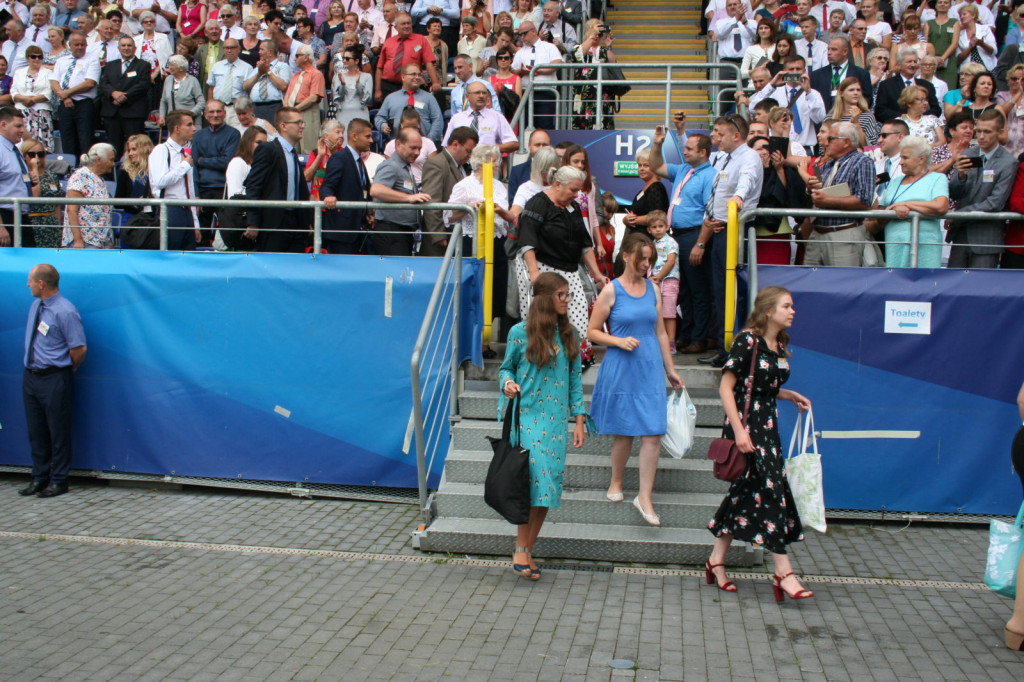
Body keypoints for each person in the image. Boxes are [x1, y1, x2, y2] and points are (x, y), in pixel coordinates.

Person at [706, 286, 813, 600]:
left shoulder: (777, 343)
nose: (792, 311)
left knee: (744, 495)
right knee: (771, 493)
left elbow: (764, 386)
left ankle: (715, 561)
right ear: (769, 310)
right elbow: (727, 388)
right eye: (787, 306)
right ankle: (784, 572)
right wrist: (739, 432)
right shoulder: (747, 341)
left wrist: (789, 394)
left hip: (768, 429)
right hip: (747, 429)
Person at [499, 272, 590, 580]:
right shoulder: (518, 333)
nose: (567, 301)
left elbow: (575, 381)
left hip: (554, 422)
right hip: (526, 418)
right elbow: (505, 368)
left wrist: (579, 420)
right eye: (561, 295)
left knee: (547, 489)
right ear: (545, 299)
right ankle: (521, 550)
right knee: (533, 484)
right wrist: (508, 383)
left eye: (568, 295)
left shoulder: (570, 335)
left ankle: (526, 549)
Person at [588, 231, 684, 525]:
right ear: (626, 256)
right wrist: (618, 341)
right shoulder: (611, 290)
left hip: (649, 365)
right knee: (625, 431)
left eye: (650, 259)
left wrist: (670, 369)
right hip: (621, 365)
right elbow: (592, 331)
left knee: (652, 432)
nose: (646, 264)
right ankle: (616, 480)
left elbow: (660, 332)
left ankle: (645, 497)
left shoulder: (653, 289)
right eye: (642, 259)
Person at [515, 165, 608, 364]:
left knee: (578, 313)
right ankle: (540, 360)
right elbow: (527, 242)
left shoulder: (572, 207)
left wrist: (597, 274)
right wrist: (534, 274)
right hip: (542, 267)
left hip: (569, 269)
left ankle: (577, 361)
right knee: (543, 318)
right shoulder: (537, 203)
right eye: (573, 190)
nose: (576, 195)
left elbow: (585, 245)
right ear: (557, 184)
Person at [647, 118, 716, 355]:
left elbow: (711, 211)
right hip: (677, 236)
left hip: (694, 235)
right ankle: (685, 334)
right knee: (682, 289)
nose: (684, 150)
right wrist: (657, 145)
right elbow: (656, 166)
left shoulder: (711, 175)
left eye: (688, 148)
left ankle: (700, 337)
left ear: (703, 153)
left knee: (698, 289)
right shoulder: (685, 169)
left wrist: (700, 242)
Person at [698, 116, 763, 368]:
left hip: (736, 230)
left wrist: (738, 197)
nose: (715, 136)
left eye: (720, 133)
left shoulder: (748, 157)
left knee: (733, 292)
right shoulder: (725, 158)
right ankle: (725, 349)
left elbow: (746, 181)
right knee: (721, 292)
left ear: (736, 135)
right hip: (720, 229)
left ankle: (737, 350)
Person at [20, 264, 87, 500]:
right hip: (31, 377)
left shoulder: (65, 311)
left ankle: (59, 480)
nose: (27, 284)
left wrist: (64, 370)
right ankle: (39, 478)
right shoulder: (35, 306)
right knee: (36, 431)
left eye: (30, 280)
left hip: (55, 378)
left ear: (41, 284)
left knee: (58, 431)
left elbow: (78, 349)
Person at [865, 136, 949, 268]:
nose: (900, 162)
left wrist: (907, 205)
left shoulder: (937, 178)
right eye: (901, 158)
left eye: (905, 158)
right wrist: (893, 211)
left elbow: (940, 206)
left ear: (922, 159)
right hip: (895, 244)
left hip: (925, 244)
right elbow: (881, 213)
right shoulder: (895, 182)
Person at [947, 110, 1016, 269]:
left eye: (987, 131)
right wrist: (961, 176)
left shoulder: (1008, 162)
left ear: (999, 133)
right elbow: (954, 193)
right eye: (978, 131)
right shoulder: (967, 154)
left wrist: (958, 215)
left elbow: (995, 203)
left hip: (986, 238)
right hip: (961, 235)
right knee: (952, 287)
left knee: (980, 287)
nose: (981, 136)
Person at [803, 121, 877, 266]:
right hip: (818, 233)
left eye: (831, 139)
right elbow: (818, 197)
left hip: (843, 233)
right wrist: (810, 189)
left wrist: (828, 200)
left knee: (842, 283)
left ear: (846, 142)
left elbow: (864, 201)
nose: (825, 143)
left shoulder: (862, 162)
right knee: (810, 283)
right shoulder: (828, 164)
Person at [240, 106, 311, 253]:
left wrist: (307, 221)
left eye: (302, 122)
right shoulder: (268, 149)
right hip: (274, 224)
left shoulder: (292, 154)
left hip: (296, 224)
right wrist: (253, 222)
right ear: (283, 126)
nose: (302, 126)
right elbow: (254, 185)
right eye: (298, 122)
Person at [369, 126, 431, 256]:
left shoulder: (405, 167)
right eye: (413, 147)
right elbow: (376, 189)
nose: (417, 152)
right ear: (398, 144)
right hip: (391, 232)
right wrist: (408, 198)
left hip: (402, 233)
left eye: (419, 148)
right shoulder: (391, 166)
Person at [419, 126, 479, 256]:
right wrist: (438, 234)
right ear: (455, 144)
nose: (469, 156)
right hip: (441, 238)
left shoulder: (463, 167)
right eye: (468, 151)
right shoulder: (436, 164)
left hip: (456, 234)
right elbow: (432, 202)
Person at [749, 134, 806, 266]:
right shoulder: (746, 172)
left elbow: (790, 196)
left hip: (778, 233)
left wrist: (779, 169)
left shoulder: (785, 171)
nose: (764, 152)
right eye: (759, 149)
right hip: (752, 233)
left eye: (767, 148)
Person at [320, 117, 373, 255]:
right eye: (367, 136)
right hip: (342, 233)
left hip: (357, 230)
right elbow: (327, 186)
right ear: (354, 136)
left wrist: (368, 212)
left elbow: (363, 190)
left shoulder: (359, 162)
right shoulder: (340, 158)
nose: (371, 140)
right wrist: (328, 197)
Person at [751, 55, 825, 153]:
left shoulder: (812, 93)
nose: (794, 72)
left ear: (804, 71)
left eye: (798, 69)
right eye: (791, 69)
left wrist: (808, 91)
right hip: (779, 145)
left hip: (805, 148)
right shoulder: (774, 92)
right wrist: (772, 84)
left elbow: (819, 117)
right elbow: (752, 108)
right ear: (784, 71)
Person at [149, 109, 199, 250]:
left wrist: (195, 223)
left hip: (187, 210)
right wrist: (184, 166)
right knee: (171, 254)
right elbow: (160, 182)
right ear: (177, 128)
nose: (194, 128)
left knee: (189, 256)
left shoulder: (185, 152)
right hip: (170, 209)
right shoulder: (161, 150)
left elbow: (190, 189)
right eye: (189, 125)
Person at [191, 99, 241, 239]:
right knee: (202, 233)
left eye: (219, 111)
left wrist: (203, 160)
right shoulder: (199, 135)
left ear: (225, 114)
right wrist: (195, 193)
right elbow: (193, 164)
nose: (215, 115)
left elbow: (227, 162)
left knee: (227, 231)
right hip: (203, 190)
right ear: (205, 115)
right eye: (211, 112)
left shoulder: (233, 134)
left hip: (223, 189)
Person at [98, 36, 150, 159]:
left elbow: (142, 85)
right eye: (123, 45)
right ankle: (113, 175)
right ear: (118, 48)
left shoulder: (143, 65)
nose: (126, 48)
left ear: (135, 48)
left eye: (129, 45)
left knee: (136, 148)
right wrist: (113, 94)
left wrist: (124, 97)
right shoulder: (110, 65)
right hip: (112, 113)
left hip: (133, 112)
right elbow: (103, 84)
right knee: (113, 148)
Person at [50, 31, 98, 162]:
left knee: (85, 140)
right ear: (69, 45)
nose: (80, 47)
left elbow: (90, 83)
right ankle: (69, 169)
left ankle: (86, 169)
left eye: (83, 44)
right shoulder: (62, 61)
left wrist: (67, 93)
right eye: (76, 44)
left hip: (84, 104)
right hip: (65, 104)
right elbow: (54, 81)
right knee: (67, 139)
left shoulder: (92, 59)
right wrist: (65, 97)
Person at [375, 12, 440, 103]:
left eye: (408, 23)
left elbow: (429, 63)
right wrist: (378, 90)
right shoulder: (388, 42)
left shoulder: (420, 40)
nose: (406, 26)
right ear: (396, 27)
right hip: (389, 86)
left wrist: (435, 82)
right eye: (403, 24)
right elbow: (379, 67)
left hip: (412, 85)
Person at [63, 143, 116, 249]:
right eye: (111, 160)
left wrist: (109, 241)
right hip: (85, 242)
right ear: (98, 159)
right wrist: (78, 241)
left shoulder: (99, 178)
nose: (113, 164)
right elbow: (72, 210)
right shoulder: (80, 176)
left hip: (100, 242)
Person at [511, 21, 561, 130]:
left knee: (545, 126)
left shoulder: (549, 47)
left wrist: (539, 70)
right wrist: (522, 71)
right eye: (520, 35)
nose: (522, 37)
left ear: (534, 31)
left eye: (524, 34)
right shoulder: (521, 52)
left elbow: (557, 63)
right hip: (525, 93)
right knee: (523, 126)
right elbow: (513, 71)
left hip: (545, 92)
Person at [375, 64, 444, 143]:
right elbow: (379, 117)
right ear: (403, 77)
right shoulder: (390, 98)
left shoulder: (429, 98)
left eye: (419, 74)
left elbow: (437, 119)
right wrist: (383, 125)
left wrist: (429, 141)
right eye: (413, 74)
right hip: (398, 145)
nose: (417, 77)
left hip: (424, 145)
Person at [444, 81, 517, 152]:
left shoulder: (497, 117)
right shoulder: (457, 118)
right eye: (477, 93)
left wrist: (489, 149)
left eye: (484, 93)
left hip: (488, 162)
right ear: (467, 96)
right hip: (462, 163)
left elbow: (513, 144)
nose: (481, 96)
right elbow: (446, 145)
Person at [570, 19, 616, 131]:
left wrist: (608, 46)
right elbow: (577, 55)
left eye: (599, 33)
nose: (597, 36)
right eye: (595, 32)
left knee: (603, 125)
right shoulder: (579, 47)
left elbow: (613, 66)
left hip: (602, 95)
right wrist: (592, 35)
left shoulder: (603, 51)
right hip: (583, 95)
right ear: (588, 32)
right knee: (582, 126)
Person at [874, 48, 942, 123]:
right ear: (899, 65)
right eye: (909, 61)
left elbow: (936, 110)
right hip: (896, 126)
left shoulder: (927, 85)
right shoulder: (886, 85)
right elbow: (880, 111)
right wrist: (902, 117)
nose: (913, 64)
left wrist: (918, 117)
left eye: (915, 62)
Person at [645, 211, 680, 353]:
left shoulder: (671, 242)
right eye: (654, 227)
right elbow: (650, 262)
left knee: (669, 312)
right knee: (657, 311)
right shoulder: (652, 244)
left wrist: (658, 276)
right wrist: (650, 276)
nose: (658, 229)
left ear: (667, 227)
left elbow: (671, 261)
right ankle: (659, 340)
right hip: (655, 281)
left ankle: (670, 342)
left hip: (669, 280)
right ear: (649, 229)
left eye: (661, 226)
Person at [810, 37, 874, 112]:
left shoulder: (861, 74)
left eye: (834, 49)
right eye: (828, 49)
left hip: (850, 119)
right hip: (824, 120)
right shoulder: (816, 75)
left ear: (845, 51)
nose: (829, 53)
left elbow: (867, 99)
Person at [10, 44, 53, 152]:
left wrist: (33, 100)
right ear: (27, 58)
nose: (37, 59)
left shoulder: (48, 72)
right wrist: (24, 99)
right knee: (22, 142)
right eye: (34, 56)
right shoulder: (19, 72)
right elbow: (13, 91)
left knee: (42, 144)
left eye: (40, 57)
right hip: (22, 111)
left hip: (41, 112)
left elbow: (49, 91)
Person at [282, 43, 324, 152]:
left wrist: (295, 109)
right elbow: (287, 95)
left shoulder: (316, 74)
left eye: (297, 56)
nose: (295, 58)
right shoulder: (295, 76)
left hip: (307, 111)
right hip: (293, 111)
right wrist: (287, 109)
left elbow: (313, 98)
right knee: (293, 146)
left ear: (306, 57)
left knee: (308, 147)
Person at [21, 137, 61, 248]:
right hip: (32, 223)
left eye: (40, 154)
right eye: (32, 154)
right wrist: (34, 169)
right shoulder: (23, 175)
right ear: (24, 155)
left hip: (51, 224)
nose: (37, 158)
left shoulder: (51, 175)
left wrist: (58, 226)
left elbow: (57, 203)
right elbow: (35, 196)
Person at [207, 38, 255, 128]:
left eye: (232, 48)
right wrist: (210, 106)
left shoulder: (247, 68)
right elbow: (211, 88)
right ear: (223, 49)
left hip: (237, 109)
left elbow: (250, 91)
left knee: (237, 134)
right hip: (219, 108)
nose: (229, 50)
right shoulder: (217, 66)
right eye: (226, 48)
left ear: (238, 49)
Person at [383, 108, 437, 183]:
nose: (410, 130)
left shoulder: (428, 143)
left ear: (419, 125)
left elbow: (434, 170)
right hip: (400, 185)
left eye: (414, 127)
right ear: (401, 125)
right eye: (406, 127)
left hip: (423, 184)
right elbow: (389, 171)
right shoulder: (391, 145)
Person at [623, 147, 668, 235]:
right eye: (640, 165)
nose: (641, 168)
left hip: (648, 239)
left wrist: (632, 220)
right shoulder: (642, 191)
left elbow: (657, 216)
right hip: (636, 236)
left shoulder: (656, 187)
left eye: (646, 165)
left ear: (655, 167)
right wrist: (625, 220)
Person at [828, 76, 879, 146]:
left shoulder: (867, 117)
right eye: (851, 90)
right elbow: (824, 146)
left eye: (858, 90)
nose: (856, 93)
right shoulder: (830, 117)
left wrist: (857, 123)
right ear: (841, 93)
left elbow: (872, 146)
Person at [114, 133, 153, 223]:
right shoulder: (125, 171)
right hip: (131, 219)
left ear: (145, 149)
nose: (130, 153)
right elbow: (117, 201)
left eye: (134, 149)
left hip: (152, 218)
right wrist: (134, 203)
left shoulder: (156, 170)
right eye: (129, 150)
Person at [158, 54, 205, 127]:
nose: (169, 67)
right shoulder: (168, 80)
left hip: (190, 123)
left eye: (172, 65)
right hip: (173, 122)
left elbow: (201, 102)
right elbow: (163, 100)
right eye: (169, 65)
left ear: (181, 68)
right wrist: (162, 116)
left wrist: (190, 114)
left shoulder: (192, 81)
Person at [332, 45, 372, 130]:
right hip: (343, 114)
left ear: (356, 60)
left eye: (347, 58)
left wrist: (358, 84)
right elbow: (338, 98)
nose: (344, 61)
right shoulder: (338, 76)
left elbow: (366, 99)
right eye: (343, 58)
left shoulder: (366, 77)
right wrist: (343, 85)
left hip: (360, 114)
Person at [924, 0, 961, 91]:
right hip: (931, 62)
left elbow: (954, 44)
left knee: (949, 90)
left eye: (945, 2)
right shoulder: (929, 23)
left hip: (949, 61)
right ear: (935, 5)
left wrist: (942, 58)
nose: (942, 4)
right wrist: (934, 60)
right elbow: (925, 44)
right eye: (940, 2)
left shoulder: (954, 22)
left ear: (950, 5)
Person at [507, 127, 549, 203]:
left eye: (545, 145)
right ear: (529, 146)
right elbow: (512, 203)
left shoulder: (558, 171)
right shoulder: (517, 171)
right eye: (537, 145)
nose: (541, 148)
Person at [954, 4, 995, 72]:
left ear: (973, 15)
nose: (961, 17)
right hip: (968, 69)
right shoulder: (959, 34)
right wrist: (970, 47)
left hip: (987, 68)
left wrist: (981, 44)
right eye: (960, 15)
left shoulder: (985, 29)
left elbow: (993, 51)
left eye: (964, 14)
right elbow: (958, 59)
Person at [997, 65, 1024, 158]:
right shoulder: (1002, 95)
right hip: (1007, 143)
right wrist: (1019, 93)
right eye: (1014, 79)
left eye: (1022, 79)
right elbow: (1002, 111)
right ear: (1008, 79)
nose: (1018, 82)